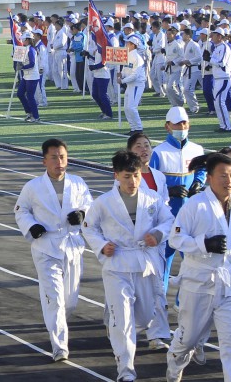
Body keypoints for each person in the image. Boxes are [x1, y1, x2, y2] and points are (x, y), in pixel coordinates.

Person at [82, 150, 174, 382]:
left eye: (136, 176)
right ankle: (125, 369)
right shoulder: (103, 202)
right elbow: (88, 227)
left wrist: (158, 233)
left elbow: (170, 220)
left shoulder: (152, 198)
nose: (132, 182)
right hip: (117, 265)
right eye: (126, 176)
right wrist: (102, 245)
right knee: (122, 319)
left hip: (144, 264)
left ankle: (114, 322)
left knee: (143, 316)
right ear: (116, 176)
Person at [166, 152, 231, 382]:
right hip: (199, 284)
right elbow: (175, 239)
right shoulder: (195, 205)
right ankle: (175, 367)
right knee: (189, 339)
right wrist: (204, 244)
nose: (229, 181)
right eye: (223, 176)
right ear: (209, 177)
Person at [14, 139, 93, 362]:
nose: (59, 162)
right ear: (44, 161)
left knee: (70, 302)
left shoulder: (78, 183)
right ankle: (60, 346)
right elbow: (21, 211)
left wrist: (82, 214)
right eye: (54, 157)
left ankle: (57, 324)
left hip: (72, 247)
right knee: (55, 298)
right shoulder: (33, 187)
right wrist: (32, 226)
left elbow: (90, 205)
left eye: (63, 157)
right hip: (46, 247)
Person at [149, 106, 206, 288]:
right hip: (167, 215)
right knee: (163, 261)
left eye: (184, 123)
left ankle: (182, 302)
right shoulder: (159, 152)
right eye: (177, 124)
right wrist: (169, 191)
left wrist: (198, 183)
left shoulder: (197, 149)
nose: (182, 127)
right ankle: (161, 301)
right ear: (167, 126)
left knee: (193, 262)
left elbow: (201, 172)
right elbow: (152, 182)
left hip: (191, 216)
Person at [120, 35, 146, 133]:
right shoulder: (128, 55)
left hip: (136, 85)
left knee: (132, 107)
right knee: (126, 107)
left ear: (133, 45)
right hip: (130, 85)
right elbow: (125, 69)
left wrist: (122, 81)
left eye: (128, 43)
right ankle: (133, 128)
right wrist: (121, 75)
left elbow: (135, 75)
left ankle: (138, 128)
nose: (126, 45)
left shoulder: (138, 58)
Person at [209, 28, 231, 132]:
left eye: (214, 35)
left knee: (220, 102)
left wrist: (209, 59)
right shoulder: (217, 47)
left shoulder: (224, 47)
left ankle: (227, 126)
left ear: (219, 36)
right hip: (218, 78)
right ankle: (223, 125)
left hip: (223, 78)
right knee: (217, 103)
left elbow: (221, 62)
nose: (212, 37)